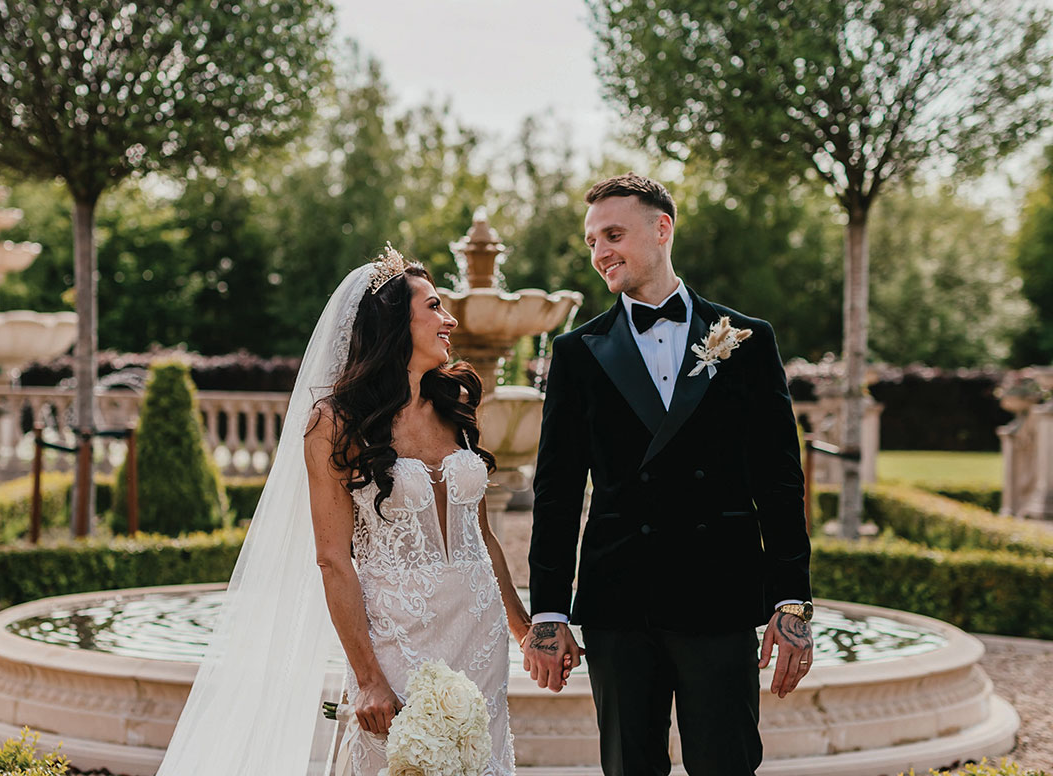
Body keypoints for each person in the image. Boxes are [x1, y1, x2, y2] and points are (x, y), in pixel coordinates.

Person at [155, 245, 528, 776]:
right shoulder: (335, 422)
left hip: (479, 630)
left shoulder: (456, 407)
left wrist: (520, 625)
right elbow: (333, 558)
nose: (449, 320)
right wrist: (369, 675)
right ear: (396, 322)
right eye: (434, 307)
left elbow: (483, 536)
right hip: (398, 635)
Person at [522, 173, 814, 776]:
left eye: (613, 234)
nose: (600, 252)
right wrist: (549, 612)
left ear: (662, 229)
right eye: (592, 240)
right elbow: (555, 491)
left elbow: (781, 482)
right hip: (618, 604)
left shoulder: (746, 340)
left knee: (726, 764)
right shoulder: (576, 354)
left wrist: (792, 602)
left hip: (720, 595)